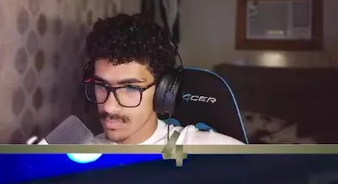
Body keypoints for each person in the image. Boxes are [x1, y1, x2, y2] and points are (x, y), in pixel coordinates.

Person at [84, 14, 243, 146]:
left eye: (131, 88)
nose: (109, 108)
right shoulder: (82, 155)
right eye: (101, 85)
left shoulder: (208, 151)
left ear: (163, 91)